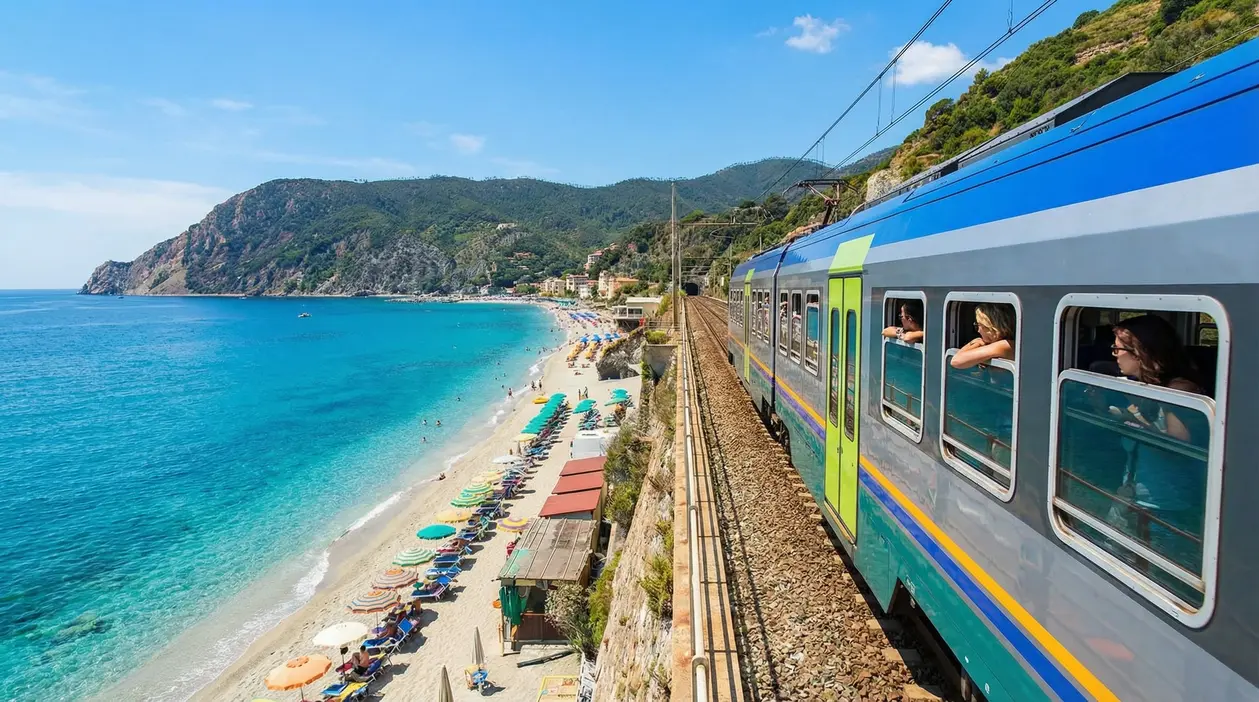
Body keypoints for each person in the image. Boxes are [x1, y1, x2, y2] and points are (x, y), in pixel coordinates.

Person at [950, 304, 1016, 369]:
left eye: (978, 325)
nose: (978, 330)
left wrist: (976, 342)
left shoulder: (1005, 345)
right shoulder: (999, 345)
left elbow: (956, 361)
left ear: (990, 326)